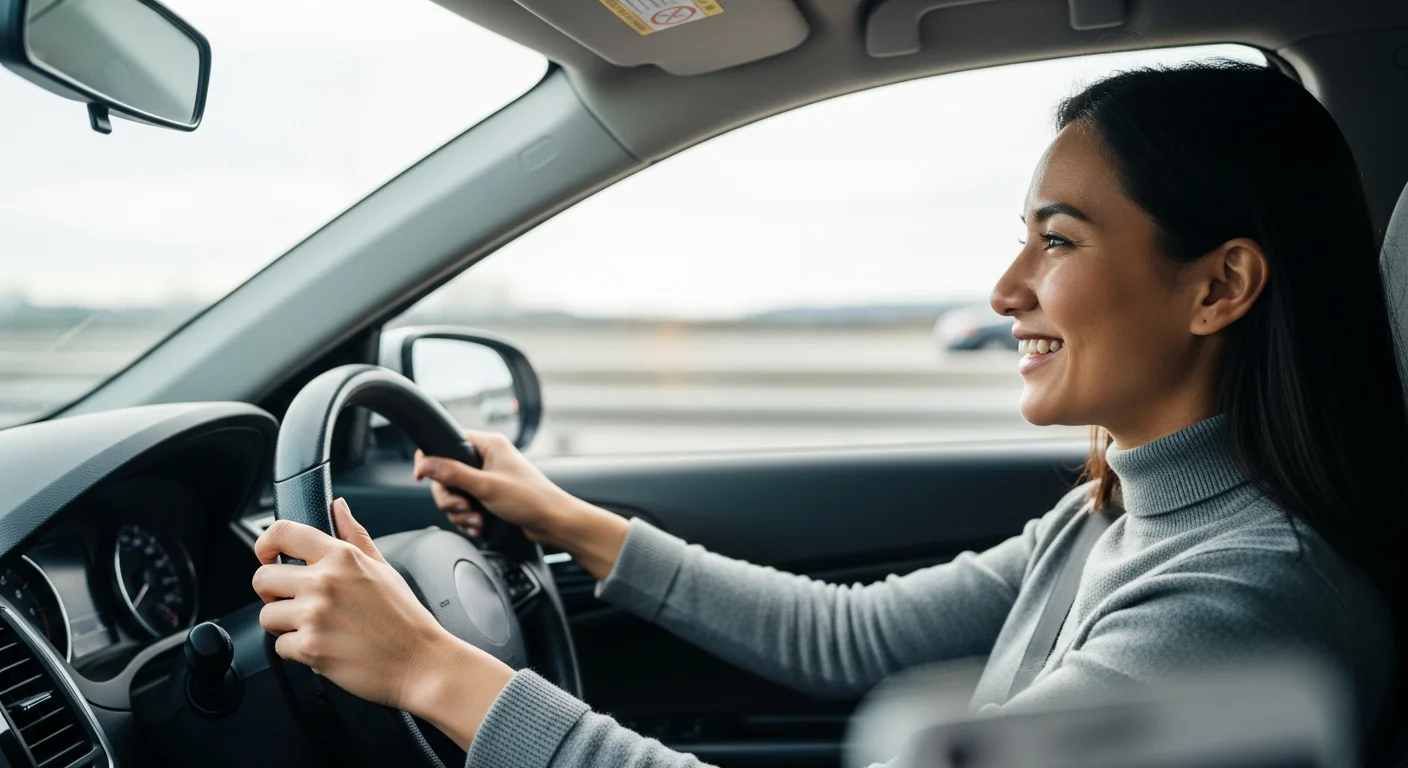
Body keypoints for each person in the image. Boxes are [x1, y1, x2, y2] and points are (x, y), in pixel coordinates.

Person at [251, 61, 1405, 767]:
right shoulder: (1120, 515)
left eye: (1056, 240)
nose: (1006, 290)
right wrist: (569, 520)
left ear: (1219, 286)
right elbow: (847, 637)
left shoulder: (1240, 599)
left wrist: (437, 674)